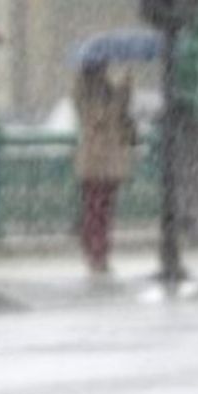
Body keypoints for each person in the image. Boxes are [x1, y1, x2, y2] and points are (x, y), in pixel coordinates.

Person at [73, 61, 134, 275]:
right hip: (97, 160)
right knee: (97, 209)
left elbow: (120, 113)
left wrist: (126, 86)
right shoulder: (86, 93)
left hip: (104, 160)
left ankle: (98, 251)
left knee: (101, 209)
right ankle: (96, 252)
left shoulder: (107, 89)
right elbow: (102, 116)